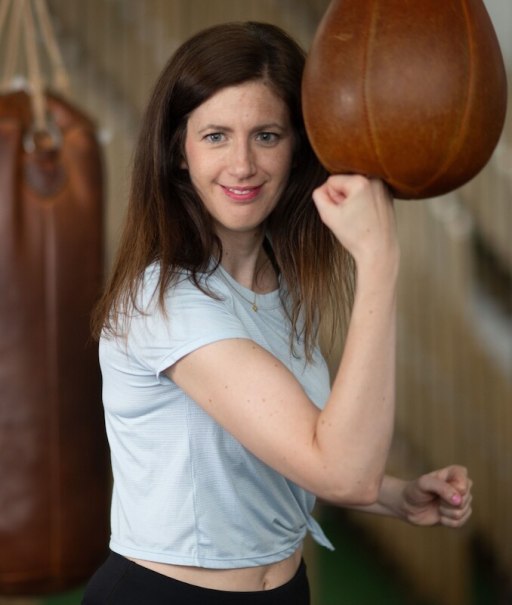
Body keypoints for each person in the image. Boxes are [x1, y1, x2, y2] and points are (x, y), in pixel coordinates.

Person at [83, 21, 473, 605]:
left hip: (285, 590)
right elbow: (339, 469)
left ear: (298, 149)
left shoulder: (275, 284)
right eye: (216, 136)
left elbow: (296, 448)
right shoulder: (163, 304)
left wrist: (393, 494)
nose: (243, 164)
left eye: (266, 135)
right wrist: (379, 259)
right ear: (179, 151)